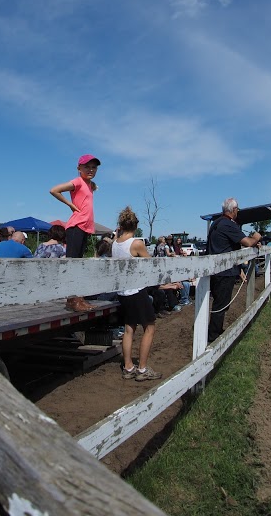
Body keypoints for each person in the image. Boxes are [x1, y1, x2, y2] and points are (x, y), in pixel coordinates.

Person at [112, 206, 162, 382]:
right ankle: (142, 369)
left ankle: (128, 367)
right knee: (149, 327)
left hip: (123, 292)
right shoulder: (136, 243)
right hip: (136, 291)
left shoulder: (115, 243)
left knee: (128, 329)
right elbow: (150, 263)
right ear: (135, 225)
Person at [205, 197, 263, 343]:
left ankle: (214, 331)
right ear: (233, 210)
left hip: (216, 270)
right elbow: (248, 242)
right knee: (221, 304)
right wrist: (256, 237)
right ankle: (213, 336)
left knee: (219, 302)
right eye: (237, 209)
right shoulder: (228, 225)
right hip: (224, 272)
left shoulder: (216, 223)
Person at [49, 154, 100, 312]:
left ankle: (78, 298)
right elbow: (54, 190)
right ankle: (72, 299)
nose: (90, 170)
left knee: (79, 264)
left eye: (94, 167)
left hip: (85, 227)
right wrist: (70, 205)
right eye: (87, 167)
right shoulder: (77, 181)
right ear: (79, 168)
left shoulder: (89, 184)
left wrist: (92, 185)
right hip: (76, 226)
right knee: (73, 263)